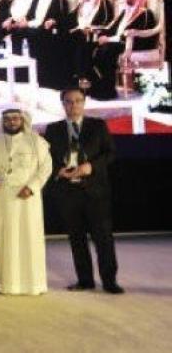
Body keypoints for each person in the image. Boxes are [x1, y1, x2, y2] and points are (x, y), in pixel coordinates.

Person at [44, 88, 122, 293]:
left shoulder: (98, 126)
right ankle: (85, 280)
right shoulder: (53, 129)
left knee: (103, 238)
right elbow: (46, 159)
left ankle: (109, 281)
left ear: (84, 102)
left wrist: (91, 166)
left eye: (78, 100)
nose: (74, 105)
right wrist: (58, 170)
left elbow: (110, 153)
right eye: (69, 101)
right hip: (68, 192)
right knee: (76, 238)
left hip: (95, 192)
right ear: (63, 104)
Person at [0, 108, 51, 295]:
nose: (11, 122)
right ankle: (2, 284)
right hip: (2, 198)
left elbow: (46, 167)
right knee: (3, 238)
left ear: (23, 120)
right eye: (7, 119)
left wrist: (32, 187)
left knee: (29, 238)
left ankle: (33, 285)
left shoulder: (36, 141)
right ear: (2, 122)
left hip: (27, 198)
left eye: (15, 118)